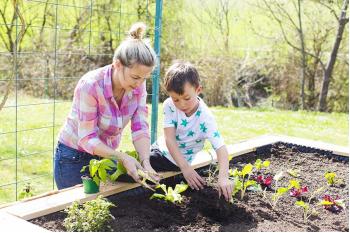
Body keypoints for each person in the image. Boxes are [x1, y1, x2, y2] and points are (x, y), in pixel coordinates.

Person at [54, 22, 160, 190]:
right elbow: (87, 138)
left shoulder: (138, 87)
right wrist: (122, 157)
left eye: (144, 78)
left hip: (105, 155)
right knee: (80, 211)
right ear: (117, 64)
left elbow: (140, 128)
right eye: (135, 77)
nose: (140, 83)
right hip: (74, 156)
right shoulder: (90, 86)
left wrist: (145, 162)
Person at [150, 61, 234, 202]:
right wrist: (186, 168)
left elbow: (221, 148)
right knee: (136, 159)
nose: (181, 104)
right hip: (162, 150)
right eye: (176, 99)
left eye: (186, 98)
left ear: (198, 90)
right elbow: (169, 138)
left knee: (131, 169)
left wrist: (223, 177)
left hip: (170, 160)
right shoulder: (169, 105)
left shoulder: (205, 118)